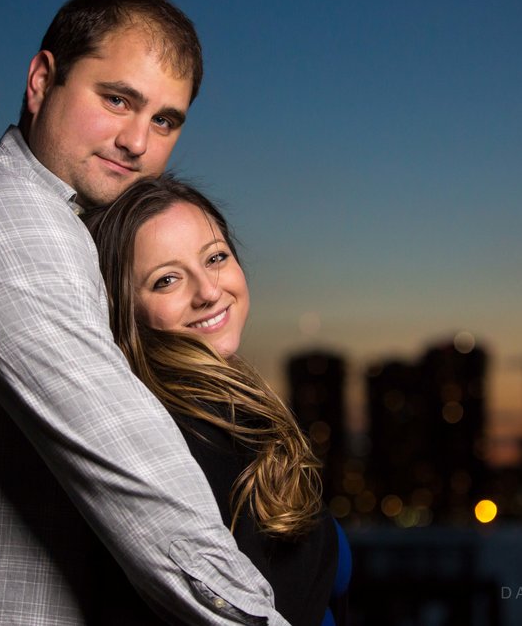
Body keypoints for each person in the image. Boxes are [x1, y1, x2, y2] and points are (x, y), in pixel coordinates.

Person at [0, 0, 293, 625]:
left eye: (165, 120)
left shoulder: (73, 237)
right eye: (117, 100)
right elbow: (138, 477)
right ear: (41, 81)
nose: (138, 142)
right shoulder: (1, 214)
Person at [82, 175, 352, 625]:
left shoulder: (235, 413)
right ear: (123, 308)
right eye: (166, 280)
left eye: (215, 258)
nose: (208, 291)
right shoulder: (189, 435)